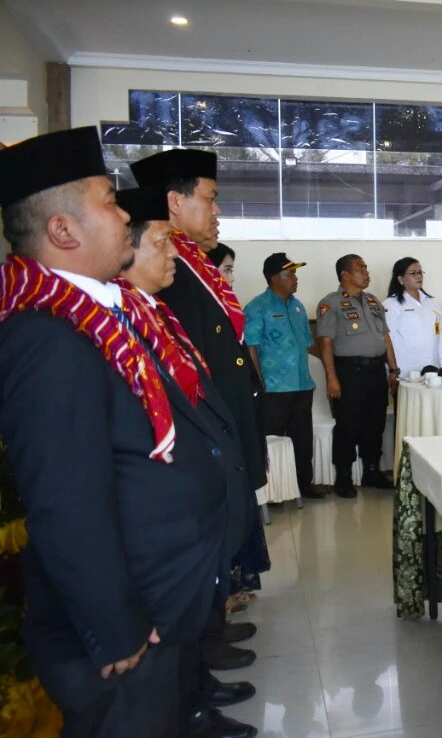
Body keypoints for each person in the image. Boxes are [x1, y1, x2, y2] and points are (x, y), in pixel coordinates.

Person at [0, 128, 245, 737]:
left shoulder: (108, 312)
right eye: (110, 201)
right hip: (127, 624)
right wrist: (118, 627)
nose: (126, 213)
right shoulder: (48, 334)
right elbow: (66, 501)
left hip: (161, 594)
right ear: (63, 230)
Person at [130, 148, 264, 733]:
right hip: (198, 436)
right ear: (174, 202)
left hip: (222, 423)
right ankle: (197, 667)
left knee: (217, 541)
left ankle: (203, 656)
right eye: (208, 197)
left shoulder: (196, 266)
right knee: (200, 553)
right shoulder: (169, 272)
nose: (215, 210)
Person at [316, 255, 400, 498]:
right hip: (349, 372)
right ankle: (343, 477)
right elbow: (325, 344)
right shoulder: (330, 304)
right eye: (360, 268)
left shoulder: (373, 301)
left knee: (375, 423)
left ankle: (371, 471)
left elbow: (385, 338)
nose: (366, 271)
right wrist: (331, 378)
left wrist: (393, 369)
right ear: (345, 275)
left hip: (376, 371)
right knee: (348, 425)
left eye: (365, 267)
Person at [245, 253, 320, 500]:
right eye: (289, 275)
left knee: (302, 440)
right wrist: (259, 382)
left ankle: (303, 486)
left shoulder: (298, 307)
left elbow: (306, 344)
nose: (295, 279)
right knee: (271, 442)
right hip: (273, 388)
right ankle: (273, 492)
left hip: (301, 384)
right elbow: (251, 347)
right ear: (273, 278)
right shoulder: (257, 307)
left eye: (295, 274)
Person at [384, 258, 442, 374]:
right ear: (400, 279)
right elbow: (389, 339)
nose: (419, 276)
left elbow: (440, 334)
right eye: (413, 273)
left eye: (420, 272)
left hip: (433, 371)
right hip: (405, 373)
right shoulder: (392, 304)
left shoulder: (432, 302)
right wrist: (393, 371)